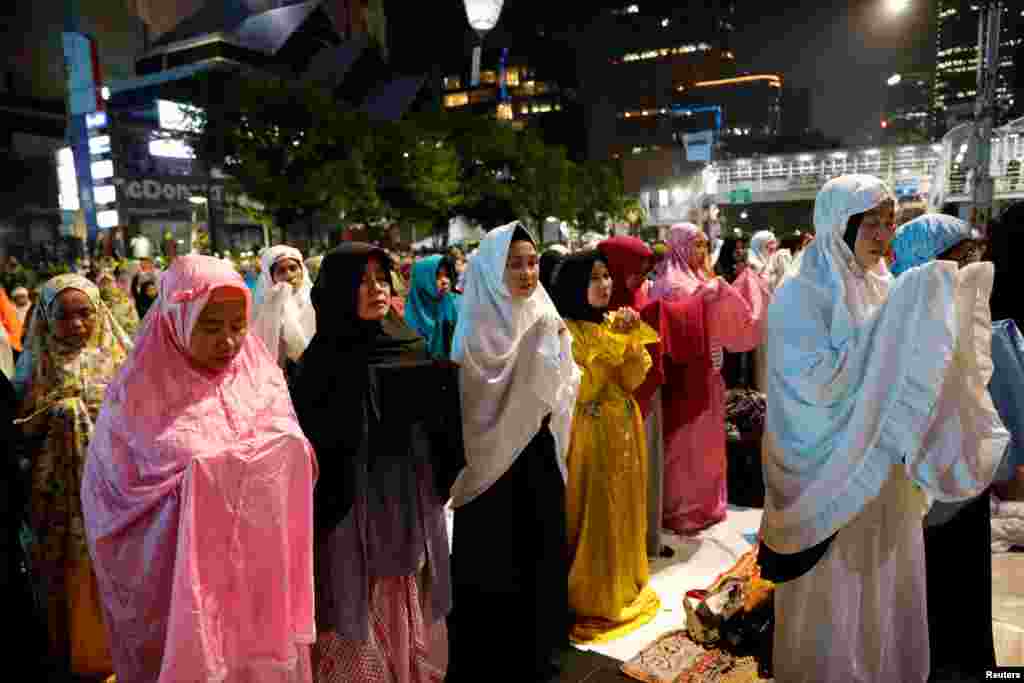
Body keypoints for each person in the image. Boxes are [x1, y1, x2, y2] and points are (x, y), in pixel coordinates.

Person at [759, 175, 1007, 683]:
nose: (883, 234)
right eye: (871, 222)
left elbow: (905, 365)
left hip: (883, 474)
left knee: (883, 586)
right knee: (837, 592)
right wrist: (901, 315)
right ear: (839, 224)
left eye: (890, 222)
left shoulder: (884, 285)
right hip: (828, 473)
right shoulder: (800, 293)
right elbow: (813, 387)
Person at [82, 255, 317, 683]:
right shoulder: (137, 393)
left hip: (254, 577)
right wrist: (192, 488)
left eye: (237, 324)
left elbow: (289, 448)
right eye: (210, 326)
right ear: (176, 317)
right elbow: (111, 502)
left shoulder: (259, 374)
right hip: (179, 592)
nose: (229, 341)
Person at [291, 243, 454, 683]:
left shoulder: (408, 343)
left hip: (403, 497)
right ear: (339, 290)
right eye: (361, 281)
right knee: (351, 593)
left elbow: (437, 423)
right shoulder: (319, 364)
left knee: (400, 587)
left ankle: (403, 671)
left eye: (381, 279)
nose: (376, 289)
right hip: (347, 505)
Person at [447, 222, 580, 683]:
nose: (527, 273)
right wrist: (533, 350)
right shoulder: (475, 326)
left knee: (539, 551)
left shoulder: (542, 309)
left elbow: (564, 380)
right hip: (493, 467)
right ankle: (493, 657)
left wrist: (559, 349)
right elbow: (480, 396)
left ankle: (539, 647)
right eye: (515, 263)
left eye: (532, 262)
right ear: (490, 270)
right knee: (496, 560)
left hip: (536, 453)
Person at [889, 213, 1005, 679]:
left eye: (972, 255)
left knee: (963, 586)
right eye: (959, 257)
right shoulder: (898, 320)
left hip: (963, 475)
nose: (971, 266)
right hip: (919, 480)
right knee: (928, 586)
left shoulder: (968, 310)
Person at [14, 274, 132, 679]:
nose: (78, 325)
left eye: (86, 314)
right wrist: (56, 416)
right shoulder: (35, 364)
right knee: (71, 577)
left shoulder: (119, 358)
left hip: (115, 491)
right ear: (46, 318)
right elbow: (19, 430)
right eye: (65, 317)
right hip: (60, 500)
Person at [551, 249, 661, 643]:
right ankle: (595, 597)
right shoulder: (565, 330)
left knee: (625, 506)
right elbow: (582, 388)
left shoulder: (614, 320)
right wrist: (616, 339)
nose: (605, 285)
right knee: (596, 510)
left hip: (624, 428)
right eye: (595, 278)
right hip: (590, 431)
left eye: (607, 277)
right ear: (575, 285)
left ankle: (625, 584)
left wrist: (630, 339)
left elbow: (633, 378)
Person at [646, 223, 766, 535]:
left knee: (709, 443)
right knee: (685, 445)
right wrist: (702, 297)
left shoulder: (702, 278)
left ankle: (707, 504)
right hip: (685, 374)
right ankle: (681, 509)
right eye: (694, 245)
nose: (700, 251)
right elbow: (672, 323)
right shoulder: (669, 282)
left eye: (703, 244)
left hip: (711, 370)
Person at [598, 236, 672, 558]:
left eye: (645, 269)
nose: (641, 277)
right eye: (634, 269)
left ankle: (647, 541)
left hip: (645, 398)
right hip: (612, 408)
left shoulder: (635, 297)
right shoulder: (599, 308)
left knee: (647, 473)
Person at [252, 245, 316, 375]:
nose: (289, 275)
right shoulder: (264, 310)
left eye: (293, 268)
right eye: (281, 271)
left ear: (302, 270)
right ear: (271, 277)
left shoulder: (315, 299)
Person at [404, 255, 459, 359]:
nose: (445, 281)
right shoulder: (407, 318)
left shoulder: (455, 306)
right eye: (437, 276)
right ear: (422, 280)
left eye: (447, 275)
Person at [96, 271, 140, 337]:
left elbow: (135, 323)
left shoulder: (126, 301)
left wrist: (120, 320)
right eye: (103, 283)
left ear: (114, 284)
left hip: (124, 337)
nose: (106, 286)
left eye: (109, 282)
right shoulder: (96, 302)